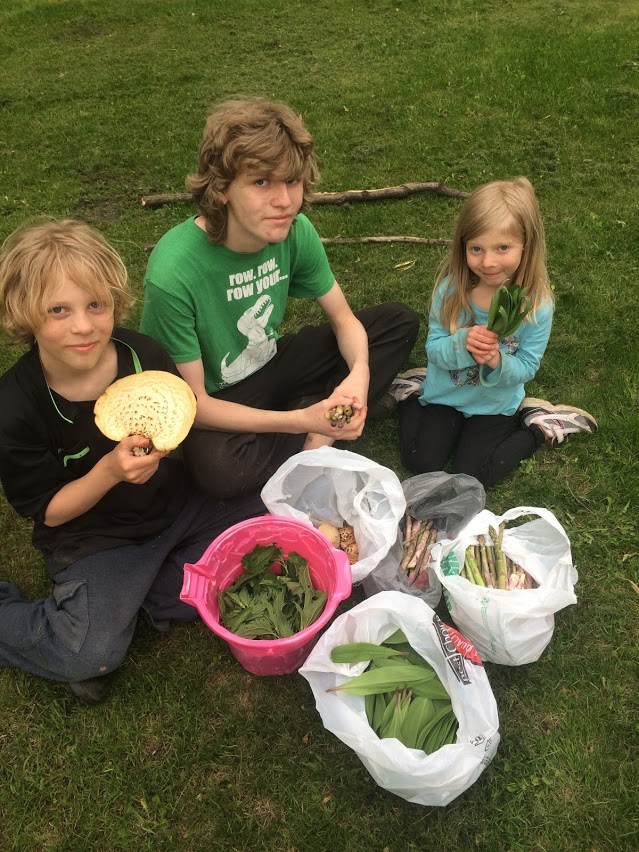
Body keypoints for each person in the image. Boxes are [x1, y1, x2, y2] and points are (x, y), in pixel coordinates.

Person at [0, 219, 265, 704]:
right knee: (89, 653)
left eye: (95, 305)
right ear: (24, 313)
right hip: (97, 536)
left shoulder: (143, 355)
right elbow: (50, 512)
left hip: (176, 506)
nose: (83, 326)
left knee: (270, 518)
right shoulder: (15, 406)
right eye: (58, 310)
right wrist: (108, 472)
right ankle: (78, 615)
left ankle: (151, 596)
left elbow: (180, 418)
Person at [140, 96, 419, 500]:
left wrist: (358, 374)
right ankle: (319, 414)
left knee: (397, 322)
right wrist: (299, 420)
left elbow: (344, 321)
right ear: (221, 190)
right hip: (220, 394)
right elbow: (194, 404)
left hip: (272, 360)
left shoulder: (296, 230)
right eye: (261, 182)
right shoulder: (174, 271)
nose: (284, 201)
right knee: (221, 474)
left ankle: (323, 427)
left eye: (291, 181)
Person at [392, 177, 597, 489]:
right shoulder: (451, 291)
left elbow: (527, 366)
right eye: (476, 248)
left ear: (527, 245)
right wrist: (462, 342)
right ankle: (410, 393)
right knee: (420, 461)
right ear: (463, 246)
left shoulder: (535, 307)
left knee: (474, 475)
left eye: (503, 248)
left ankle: (539, 426)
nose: (488, 262)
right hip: (445, 395)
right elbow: (434, 349)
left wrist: (496, 360)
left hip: (494, 405)